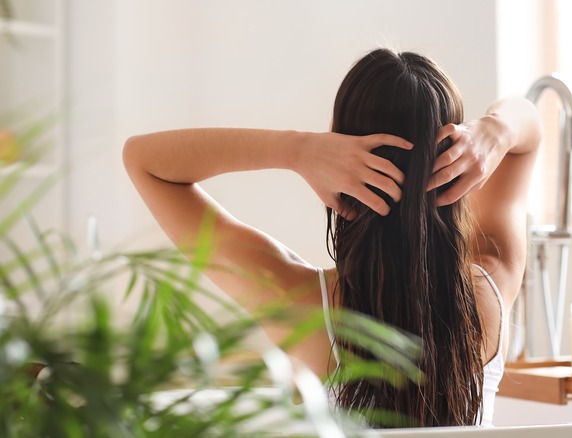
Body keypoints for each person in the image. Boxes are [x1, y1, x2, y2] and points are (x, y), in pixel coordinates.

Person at [123, 48, 541, 427]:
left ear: (337, 152)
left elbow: (144, 160)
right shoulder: (490, 292)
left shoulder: (300, 305)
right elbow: (530, 130)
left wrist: (298, 150)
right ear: (461, 160)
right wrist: (494, 131)